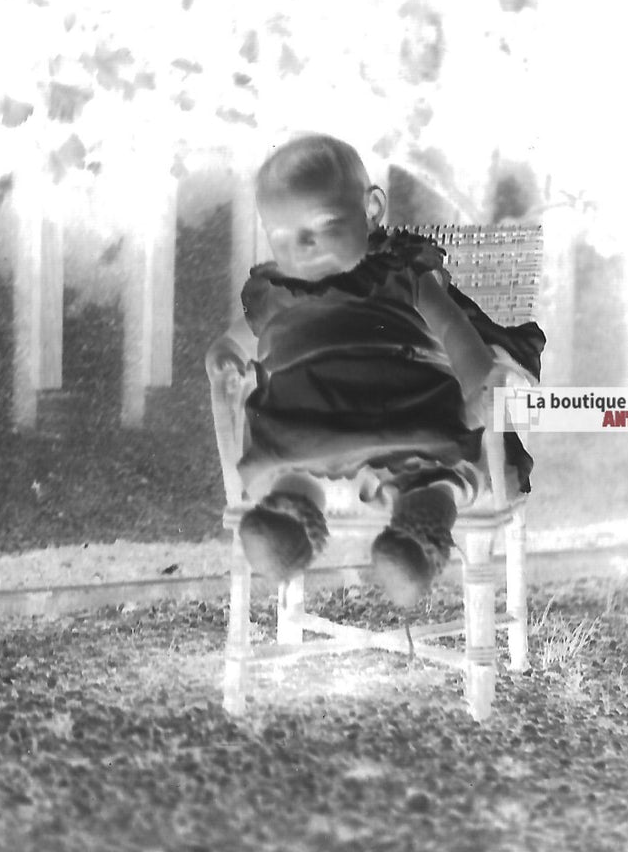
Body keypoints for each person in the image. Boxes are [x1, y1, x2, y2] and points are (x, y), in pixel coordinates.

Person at [206, 134, 545, 606]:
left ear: (371, 210)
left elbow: (452, 329)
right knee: (291, 462)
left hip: (405, 405)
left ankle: (416, 539)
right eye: (281, 235)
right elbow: (235, 341)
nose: (303, 245)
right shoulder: (276, 290)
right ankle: (287, 524)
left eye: (324, 223)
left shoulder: (402, 269)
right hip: (311, 421)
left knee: (436, 468)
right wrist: (223, 356)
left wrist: (478, 380)